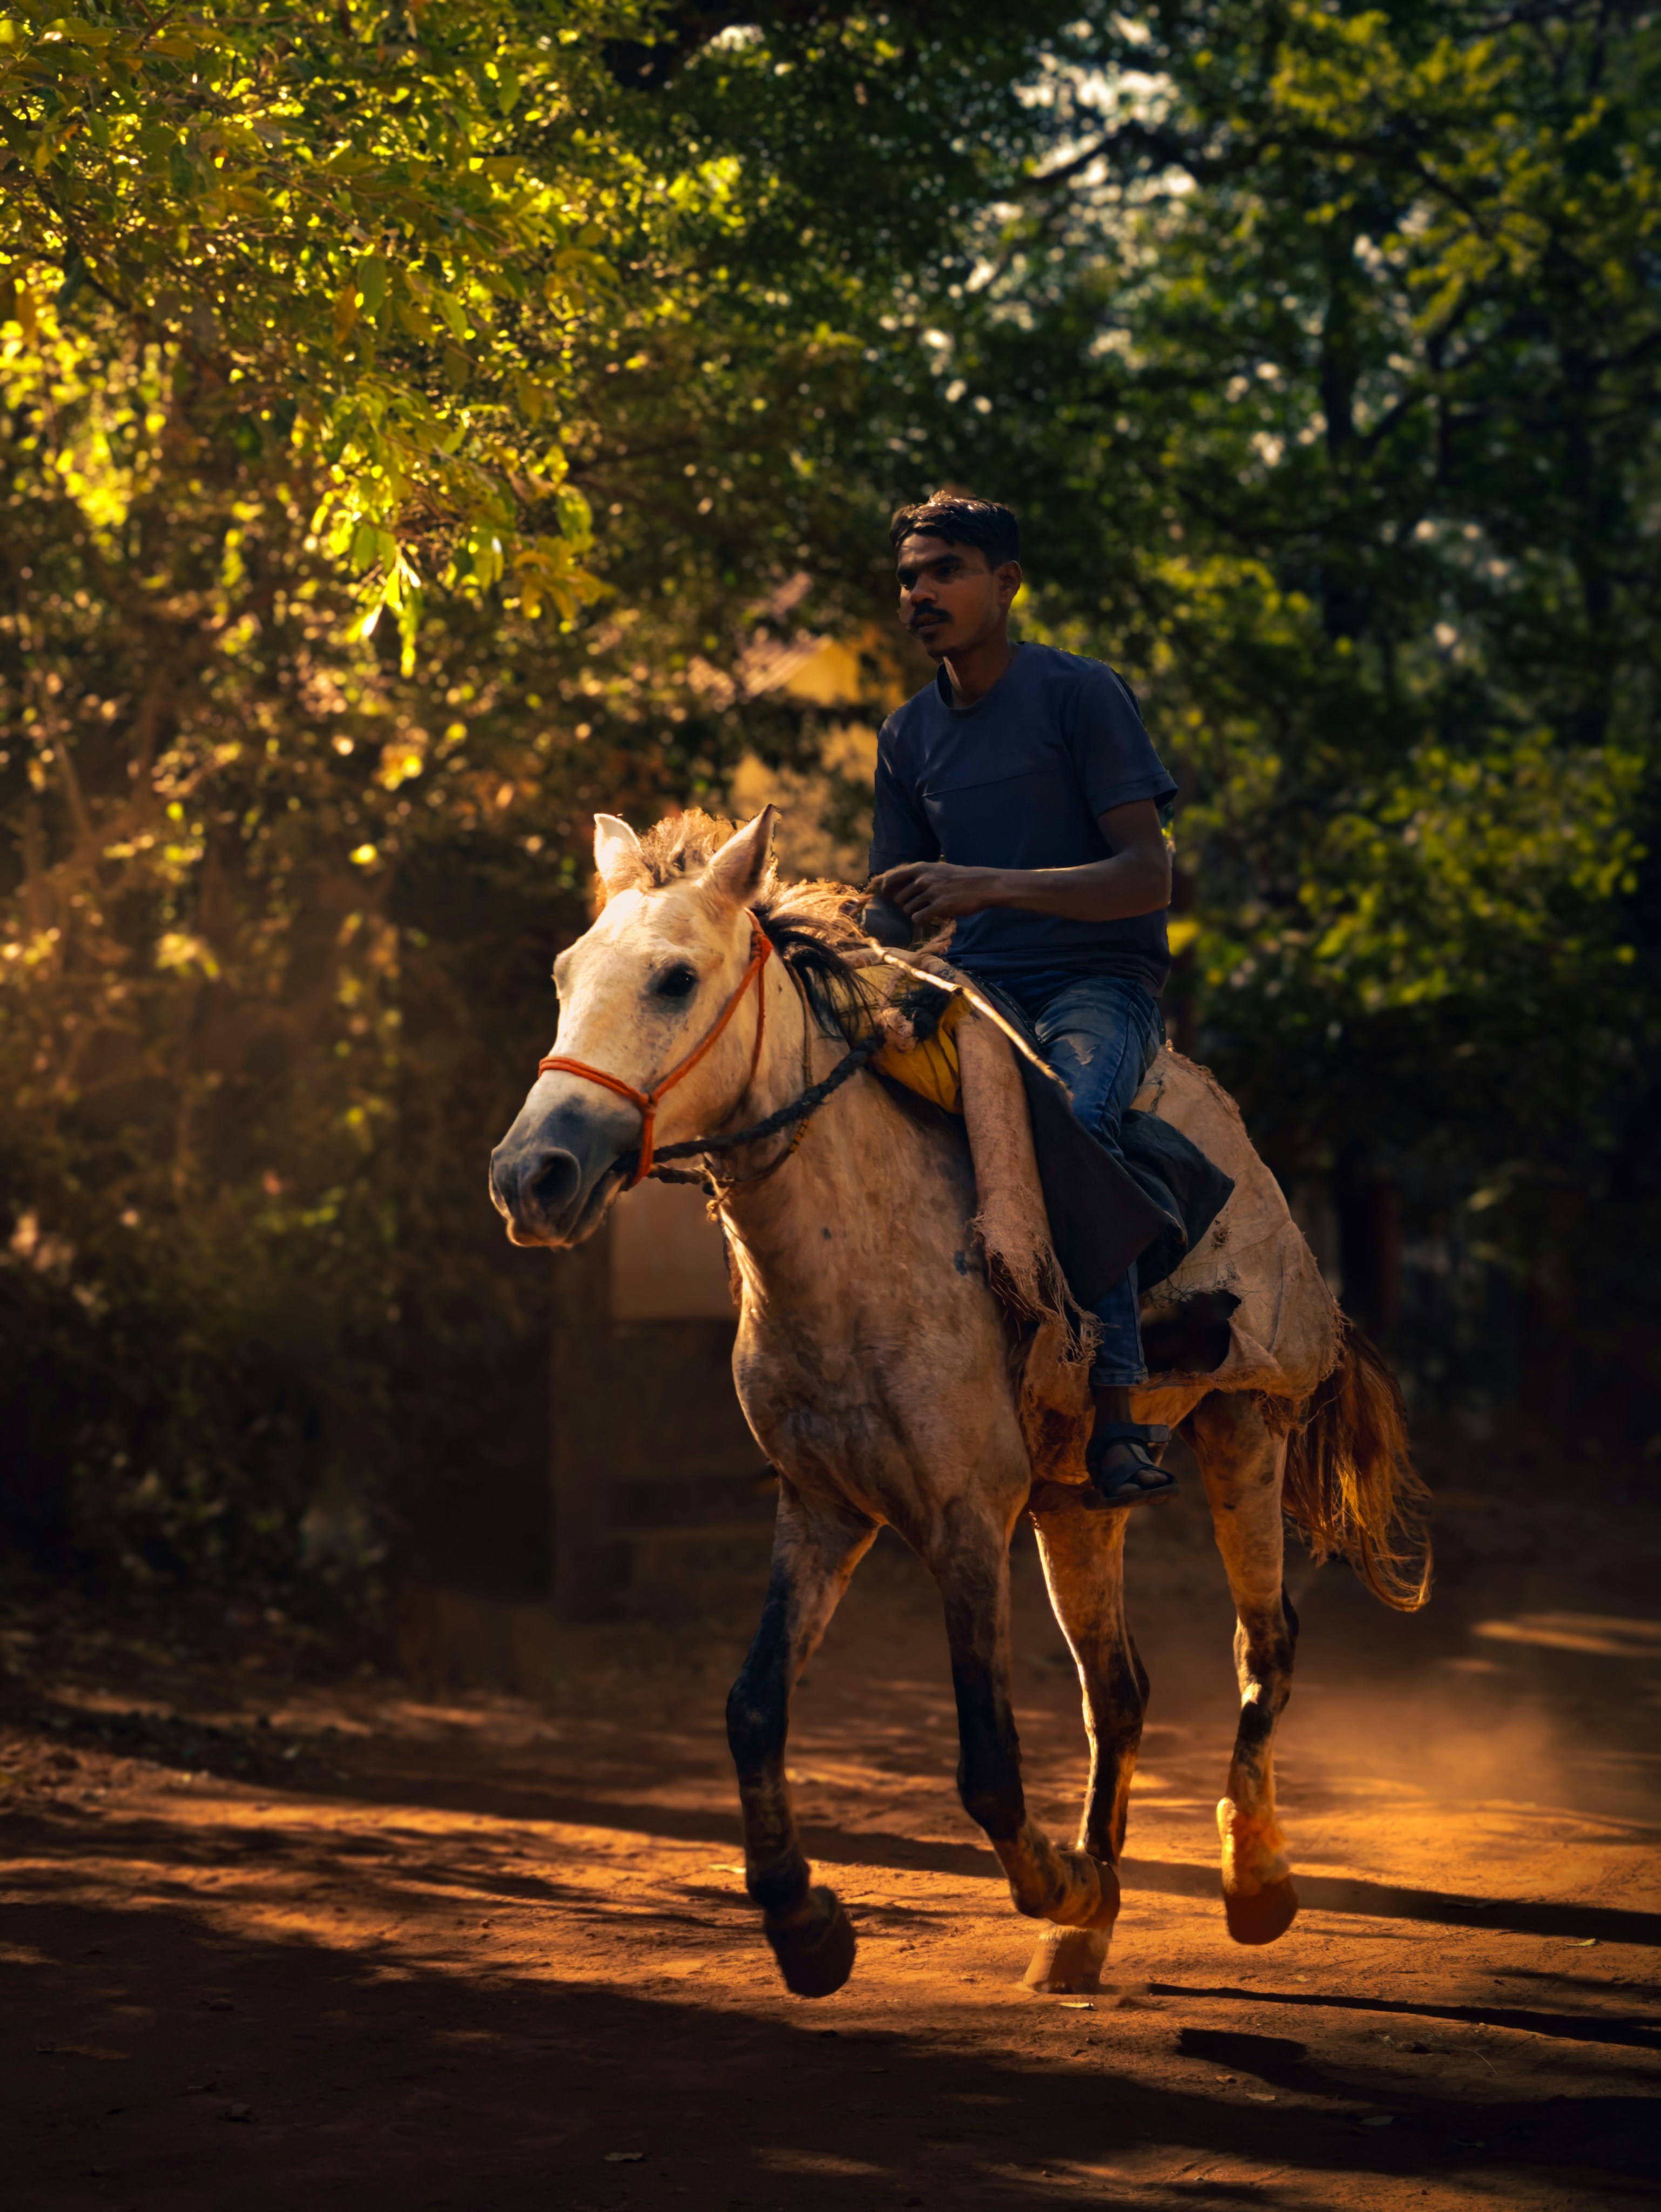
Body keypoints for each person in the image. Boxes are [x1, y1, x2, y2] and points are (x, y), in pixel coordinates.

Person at [868, 493, 1178, 1506]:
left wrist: (987, 885)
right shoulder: (906, 736)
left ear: (1006, 582)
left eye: (946, 570)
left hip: (1098, 982)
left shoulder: (1081, 695)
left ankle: (1121, 1417)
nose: (921, 593)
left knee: (1073, 1118)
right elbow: (893, 914)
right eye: (910, 576)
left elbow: (1146, 879)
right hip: (976, 991)